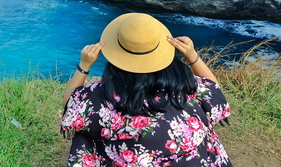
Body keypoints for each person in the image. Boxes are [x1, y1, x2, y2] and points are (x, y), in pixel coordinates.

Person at [61, 13, 232, 167]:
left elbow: (69, 104)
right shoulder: (183, 87)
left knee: (84, 133)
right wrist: (192, 56)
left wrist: (84, 65)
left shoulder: (97, 96)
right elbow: (213, 89)